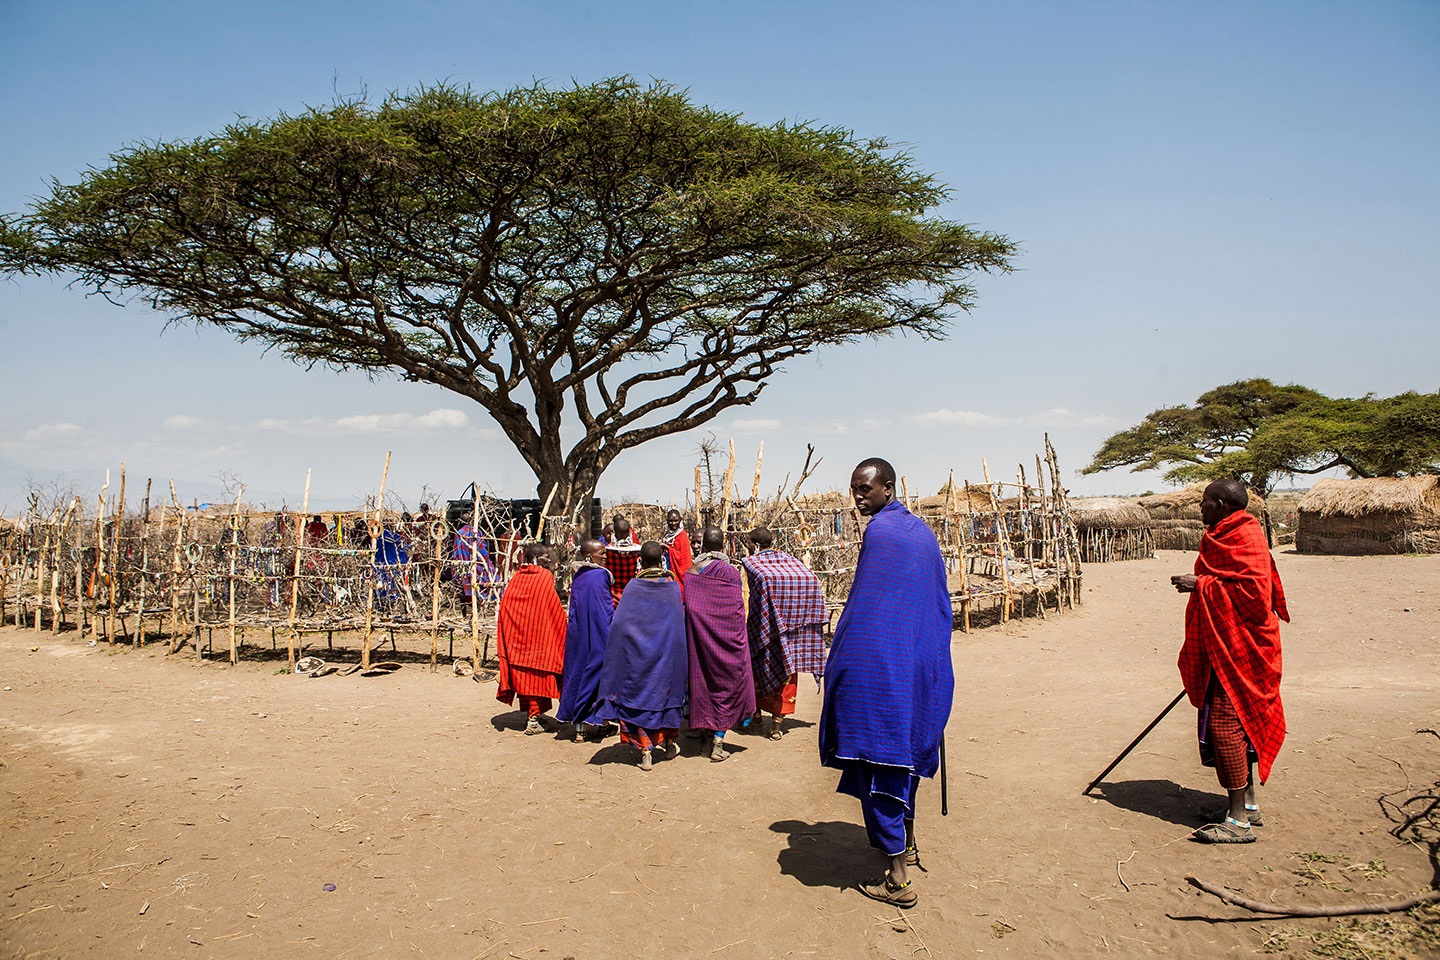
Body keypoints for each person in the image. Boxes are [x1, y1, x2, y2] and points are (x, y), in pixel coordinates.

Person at [819, 458, 953, 909]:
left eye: (864, 489)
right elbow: (933, 605)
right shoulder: (919, 531)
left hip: (883, 669)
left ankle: (897, 879)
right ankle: (908, 846)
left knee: (880, 760)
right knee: (903, 762)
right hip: (917, 666)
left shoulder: (880, 533)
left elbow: (869, 607)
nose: (857, 496)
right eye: (853, 488)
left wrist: (843, 658)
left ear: (888, 487)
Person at [1171, 479, 1288, 844]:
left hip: (1242, 647)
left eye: (1205, 502)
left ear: (1220, 505)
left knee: (1225, 727)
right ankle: (1247, 804)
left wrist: (1200, 583)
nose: (1200, 508)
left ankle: (1238, 822)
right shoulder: (1222, 534)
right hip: (1226, 643)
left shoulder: (1246, 535)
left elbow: (1255, 594)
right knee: (1236, 725)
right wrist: (1204, 582)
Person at [595, 540, 687, 771]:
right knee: (665, 696)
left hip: (638, 658)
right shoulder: (672, 587)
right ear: (662, 560)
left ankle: (646, 750)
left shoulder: (633, 587)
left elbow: (620, 626)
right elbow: (677, 625)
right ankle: (669, 743)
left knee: (641, 700)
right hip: (666, 656)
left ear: (640, 560)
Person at [743, 526, 828, 740]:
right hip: (790, 635)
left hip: (761, 629)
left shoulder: (753, 565)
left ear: (757, 545)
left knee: (757, 672)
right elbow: (812, 580)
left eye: (749, 543)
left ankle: (757, 718)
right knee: (785, 676)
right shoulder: (790, 562)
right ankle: (776, 726)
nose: (747, 547)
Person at [683, 527, 756, 762]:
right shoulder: (731, 573)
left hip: (699, 642)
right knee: (726, 685)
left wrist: (701, 630)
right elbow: (736, 612)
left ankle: (703, 732)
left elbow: (691, 609)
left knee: (702, 684)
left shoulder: (691, 572)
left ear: (703, 546)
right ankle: (718, 743)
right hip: (728, 642)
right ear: (723, 546)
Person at [495, 542, 568, 736]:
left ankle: (533, 716)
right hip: (538, 641)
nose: (549, 560)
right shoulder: (544, 577)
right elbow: (553, 608)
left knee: (528, 682)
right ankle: (533, 721)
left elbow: (507, 608)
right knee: (537, 680)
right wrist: (563, 627)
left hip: (519, 642)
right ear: (535, 558)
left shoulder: (516, 578)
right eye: (545, 557)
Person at [557, 538, 615, 741]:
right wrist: (610, 632)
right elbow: (604, 609)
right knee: (598, 675)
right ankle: (601, 724)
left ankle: (580, 730)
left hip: (578, 633)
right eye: (602, 554)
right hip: (597, 633)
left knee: (578, 671)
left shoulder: (580, 576)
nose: (606, 557)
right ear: (590, 556)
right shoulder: (600, 576)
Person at [451, 511, 497, 602]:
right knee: (486, 578)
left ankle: (465, 612)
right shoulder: (476, 532)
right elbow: (483, 549)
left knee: (463, 586)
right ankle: (481, 604)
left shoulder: (459, 533)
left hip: (463, 567)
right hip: (476, 564)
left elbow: (456, 552)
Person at [604, 517, 642, 606]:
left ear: (614, 533)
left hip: (613, 595)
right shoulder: (637, 551)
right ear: (629, 532)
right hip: (632, 594)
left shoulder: (607, 552)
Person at [662, 509, 694, 597]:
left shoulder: (682, 536)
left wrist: (668, 548)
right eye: (671, 521)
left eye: (676, 520)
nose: (673, 523)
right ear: (667, 521)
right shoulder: (667, 535)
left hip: (679, 571)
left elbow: (683, 558)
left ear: (680, 521)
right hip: (668, 567)